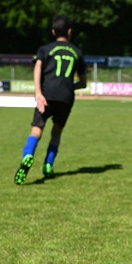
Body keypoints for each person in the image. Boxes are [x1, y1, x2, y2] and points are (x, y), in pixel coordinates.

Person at [14, 15, 86, 184]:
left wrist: (38, 92)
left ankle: (28, 155)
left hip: (46, 94)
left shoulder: (44, 49)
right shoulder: (78, 52)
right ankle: (48, 164)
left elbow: (38, 66)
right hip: (66, 98)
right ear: (70, 32)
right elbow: (83, 83)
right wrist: (69, 88)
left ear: (53, 32)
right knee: (57, 131)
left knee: (37, 129)